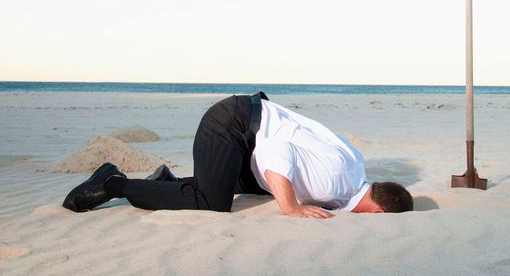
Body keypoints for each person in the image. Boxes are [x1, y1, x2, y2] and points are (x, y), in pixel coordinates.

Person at [62, 92, 413, 218]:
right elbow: (277, 149)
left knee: (263, 186)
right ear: (379, 211)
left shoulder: (354, 166)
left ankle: (167, 185)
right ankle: (113, 182)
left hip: (249, 129)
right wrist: (289, 206)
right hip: (231, 126)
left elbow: (321, 139)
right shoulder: (335, 181)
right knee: (212, 201)